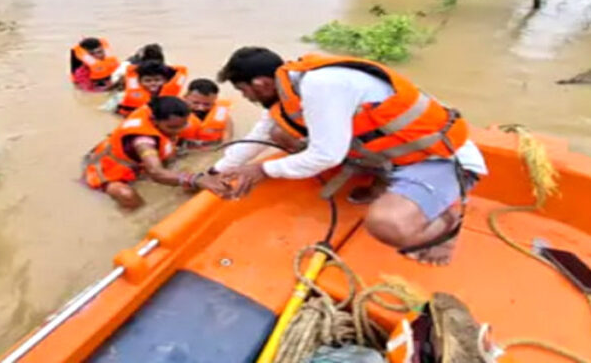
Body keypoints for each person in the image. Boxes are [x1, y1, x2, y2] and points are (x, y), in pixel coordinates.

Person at [207, 47, 488, 266]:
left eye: (244, 91)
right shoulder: (288, 90)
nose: (247, 98)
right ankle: (384, 182)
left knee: (386, 226)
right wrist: (215, 172)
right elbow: (262, 132)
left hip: (439, 158)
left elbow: (326, 156)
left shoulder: (321, 84)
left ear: (260, 83)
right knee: (282, 134)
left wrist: (263, 170)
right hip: (394, 154)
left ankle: (448, 223)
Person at [82, 96, 231, 209]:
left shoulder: (167, 110)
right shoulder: (143, 141)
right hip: (108, 173)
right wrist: (196, 179)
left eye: (184, 124)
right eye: (172, 128)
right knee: (126, 195)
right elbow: (156, 172)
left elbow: (224, 120)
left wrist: (226, 141)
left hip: (138, 164)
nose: (180, 130)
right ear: (154, 121)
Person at [103, 60, 189, 117]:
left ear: (166, 81)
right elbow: (106, 111)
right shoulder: (122, 96)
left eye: (157, 80)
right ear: (139, 81)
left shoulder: (173, 98)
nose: (153, 84)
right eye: (147, 81)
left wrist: (163, 68)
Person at [178, 78, 234, 150]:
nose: (201, 108)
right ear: (186, 97)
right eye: (196, 103)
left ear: (214, 100)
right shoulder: (173, 112)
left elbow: (227, 141)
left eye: (207, 104)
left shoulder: (223, 115)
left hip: (211, 147)